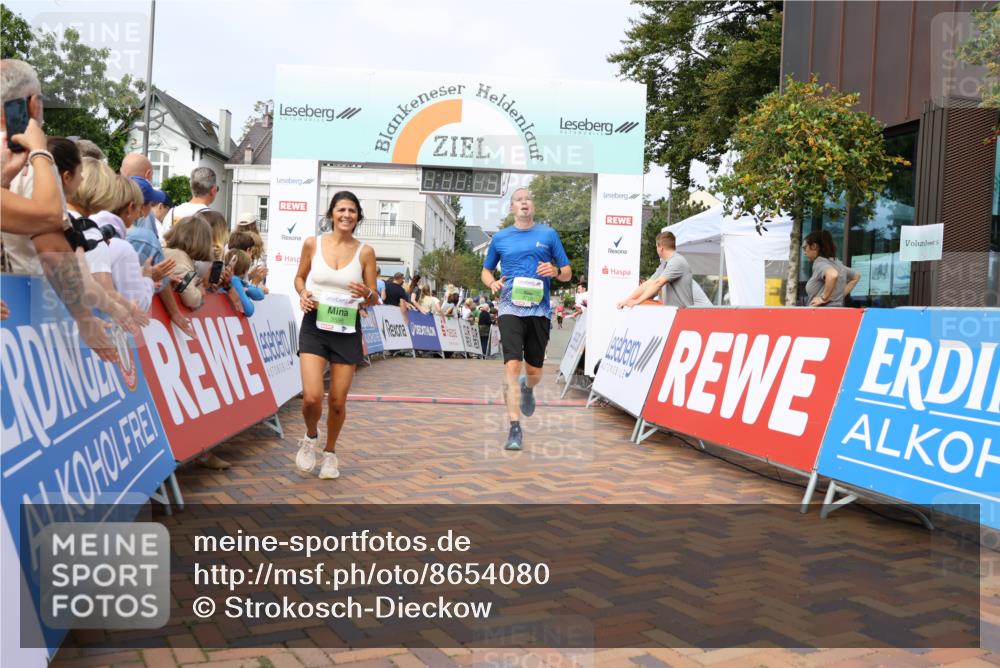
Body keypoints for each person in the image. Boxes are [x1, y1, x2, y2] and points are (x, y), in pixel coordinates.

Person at [294, 191, 378, 480]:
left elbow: (374, 297)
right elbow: (299, 277)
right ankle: (309, 437)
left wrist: (367, 293)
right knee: (312, 398)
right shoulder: (312, 244)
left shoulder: (365, 251)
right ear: (331, 213)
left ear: (358, 217)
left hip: (347, 329)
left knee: (338, 402)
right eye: (341, 209)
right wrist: (303, 293)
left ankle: (330, 453)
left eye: (352, 211)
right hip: (315, 325)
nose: (346, 215)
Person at [481, 187, 571, 451]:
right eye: (518, 200)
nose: (524, 203)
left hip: (539, 311)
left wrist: (554, 271)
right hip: (509, 307)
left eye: (528, 199)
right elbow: (486, 271)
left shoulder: (548, 234)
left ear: (533, 206)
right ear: (512, 208)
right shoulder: (500, 238)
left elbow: (567, 272)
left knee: (534, 372)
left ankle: (528, 388)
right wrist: (492, 284)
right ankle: (514, 428)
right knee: (511, 365)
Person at [617, 231, 696, 308]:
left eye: (656, 246)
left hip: (683, 313)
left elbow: (658, 283)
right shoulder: (665, 263)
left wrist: (637, 301)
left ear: (660, 248)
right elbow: (649, 283)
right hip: (672, 313)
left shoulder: (677, 261)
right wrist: (627, 300)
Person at [803, 230, 860, 306]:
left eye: (805, 248)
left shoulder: (819, 263)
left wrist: (823, 298)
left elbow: (832, 275)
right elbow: (856, 276)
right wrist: (838, 296)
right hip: (835, 311)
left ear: (814, 246)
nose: (804, 252)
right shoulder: (837, 264)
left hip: (820, 314)